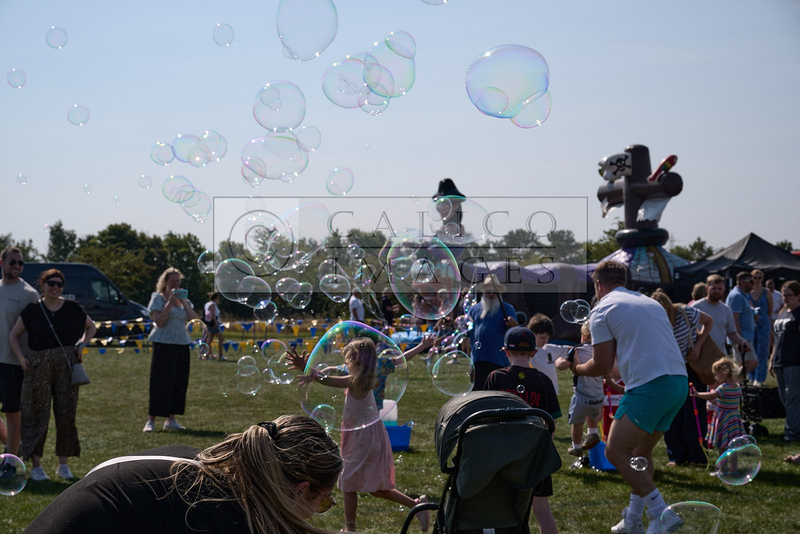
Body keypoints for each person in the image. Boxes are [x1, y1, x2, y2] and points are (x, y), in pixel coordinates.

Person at [25, 416, 344, 534]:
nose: (316, 512)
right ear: (300, 490)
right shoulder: (220, 514)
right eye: (322, 502)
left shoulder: (198, 464)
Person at [572, 261, 686, 534]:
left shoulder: (602, 309)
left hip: (650, 386)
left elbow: (600, 365)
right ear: (623, 280)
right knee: (639, 453)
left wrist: (577, 368)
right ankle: (634, 519)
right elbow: (625, 358)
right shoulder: (650, 303)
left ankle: (660, 513)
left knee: (615, 451)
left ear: (598, 285)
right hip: (678, 383)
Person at [300, 338, 429, 532]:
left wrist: (307, 369)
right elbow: (332, 372)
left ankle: (350, 529)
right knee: (375, 489)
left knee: (348, 482)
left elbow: (326, 380)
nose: (345, 364)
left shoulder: (355, 381)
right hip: (368, 435)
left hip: (361, 438)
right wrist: (317, 373)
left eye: (347, 360)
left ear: (356, 360)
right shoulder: (366, 376)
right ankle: (417, 505)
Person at [9, 269, 96, 481]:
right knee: (36, 413)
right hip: (38, 365)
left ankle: (63, 465)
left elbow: (91, 327)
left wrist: (81, 345)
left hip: (66, 364)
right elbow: (14, 335)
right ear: (43, 285)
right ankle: (36, 466)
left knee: (66, 413)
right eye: (51, 283)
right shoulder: (33, 310)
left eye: (59, 284)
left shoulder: (72, 308)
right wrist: (21, 359)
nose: (55, 288)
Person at [486, 326, 561, 534]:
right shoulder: (544, 381)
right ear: (534, 352)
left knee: (503, 508)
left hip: (503, 456)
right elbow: (552, 424)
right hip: (537, 455)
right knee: (542, 509)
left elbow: (487, 419)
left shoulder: (495, 378)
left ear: (505, 352)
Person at [650, 290, 714, 467]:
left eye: (664, 310)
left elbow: (709, 321)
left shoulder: (685, 312)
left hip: (690, 366)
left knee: (693, 411)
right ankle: (676, 456)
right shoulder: (652, 321)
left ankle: (697, 456)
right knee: (671, 412)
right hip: (668, 369)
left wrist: (698, 345)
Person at [144, 268, 198, 433]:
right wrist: (170, 302)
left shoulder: (184, 300)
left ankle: (171, 419)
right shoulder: (158, 298)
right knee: (159, 381)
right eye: (172, 281)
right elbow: (158, 322)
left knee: (178, 382)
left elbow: (194, 319)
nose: (175, 284)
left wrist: (183, 302)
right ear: (165, 283)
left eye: (178, 281)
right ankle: (151, 420)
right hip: (163, 343)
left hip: (182, 344)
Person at [0, 247, 39, 457]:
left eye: (20, 263)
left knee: (12, 414)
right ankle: (12, 447)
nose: (17, 266)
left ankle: (11, 463)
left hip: (14, 364)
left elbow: (36, 332)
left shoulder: (29, 294)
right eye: (13, 262)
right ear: (2, 263)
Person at [555, 322, 603, 460]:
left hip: (582, 395)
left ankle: (576, 447)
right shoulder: (601, 352)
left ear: (583, 336)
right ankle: (593, 433)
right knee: (592, 415)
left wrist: (559, 360)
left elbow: (563, 366)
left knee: (577, 423)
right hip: (599, 397)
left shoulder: (577, 349)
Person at [467, 274, 517, 390]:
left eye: (494, 292)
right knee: (478, 392)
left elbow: (515, 331)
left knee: (497, 391)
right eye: (488, 292)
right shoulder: (474, 309)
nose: (490, 294)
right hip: (478, 359)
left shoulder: (507, 309)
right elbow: (467, 330)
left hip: (499, 359)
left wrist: (513, 324)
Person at [689, 358, 744, 454]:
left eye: (716, 374)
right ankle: (733, 463)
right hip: (734, 419)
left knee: (722, 445)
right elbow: (725, 402)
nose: (715, 377)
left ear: (724, 373)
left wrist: (697, 394)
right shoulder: (737, 386)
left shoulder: (723, 388)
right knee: (733, 445)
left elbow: (712, 395)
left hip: (724, 419)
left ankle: (722, 462)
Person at [769, 280, 800, 442]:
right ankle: (793, 427)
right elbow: (776, 339)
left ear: (798, 296)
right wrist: (772, 358)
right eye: (783, 295)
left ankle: (792, 434)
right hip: (780, 361)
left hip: (795, 361)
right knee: (785, 399)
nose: (785, 298)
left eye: (789, 295)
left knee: (793, 398)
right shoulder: (783, 313)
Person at [726, 271, 758, 376]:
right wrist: (739, 340)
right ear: (744, 282)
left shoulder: (743, 295)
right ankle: (733, 380)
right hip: (742, 337)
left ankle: (737, 382)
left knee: (743, 364)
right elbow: (734, 319)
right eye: (751, 281)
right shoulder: (737, 296)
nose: (754, 284)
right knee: (753, 362)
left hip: (745, 337)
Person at [527, 313, 567, 395]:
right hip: (535, 392)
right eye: (542, 337)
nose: (545, 340)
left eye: (548, 338)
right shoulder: (527, 351)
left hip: (551, 392)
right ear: (532, 333)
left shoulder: (550, 348)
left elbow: (568, 349)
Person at [748, 269, 773, 387]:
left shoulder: (766, 292)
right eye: (755, 277)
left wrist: (769, 325)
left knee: (762, 351)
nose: (757, 280)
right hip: (751, 324)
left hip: (763, 324)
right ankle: (751, 376)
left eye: (759, 278)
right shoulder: (748, 292)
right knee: (751, 350)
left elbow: (770, 309)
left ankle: (760, 378)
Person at [202, 292, 225, 360]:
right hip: (213, 323)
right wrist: (215, 323)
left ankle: (207, 355)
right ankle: (220, 355)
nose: (218, 299)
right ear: (215, 298)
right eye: (218, 298)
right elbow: (213, 314)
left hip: (209, 323)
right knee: (221, 338)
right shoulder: (213, 304)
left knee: (209, 340)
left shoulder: (207, 303)